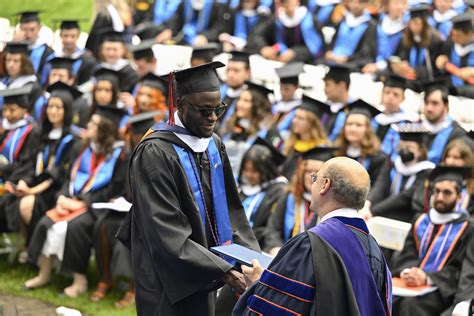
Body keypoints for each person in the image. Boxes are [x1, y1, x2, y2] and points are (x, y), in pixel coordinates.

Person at [115, 61, 259, 315]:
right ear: (179, 105)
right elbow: (164, 229)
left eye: (218, 109)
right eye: (204, 110)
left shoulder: (212, 144)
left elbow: (232, 210)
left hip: (213, 265)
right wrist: (222, 271)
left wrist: (251, 258)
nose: (213, 118)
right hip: (170, 275)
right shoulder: (155, 152)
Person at [233, 157, 392, 315]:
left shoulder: (309, 244)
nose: (312, 183)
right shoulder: (375, 252)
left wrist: (258, 284)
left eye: (315, 178)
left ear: (325, 185)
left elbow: (276, 308)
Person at [25, 106, 128, 297]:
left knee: (76, 227)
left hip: (97, 207)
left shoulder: (120, 154)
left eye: (94, 124)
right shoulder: (82, 147)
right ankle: (43, 273)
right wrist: (62, 197)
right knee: (47, 221)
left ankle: (79, 280)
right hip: (71, 200)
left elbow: (114, 189)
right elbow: (67, 176)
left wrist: (84, 203)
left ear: (106, 128)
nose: (88, 126)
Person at [3, 82, 80, 260]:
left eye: (58, 107)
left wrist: (32, 190)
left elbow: (60, 173)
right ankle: (26, 246)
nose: (53, 111)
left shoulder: (72, 139)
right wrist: (23, 182)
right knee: (15, 200)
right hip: (33, 184)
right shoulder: (39, 133)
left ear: (66, 110)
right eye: (50, 106)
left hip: (54, 188)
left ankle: (35, 250)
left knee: (28, 203)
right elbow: (29, 163)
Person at [391, 166, 474, 316]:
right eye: (437, 191)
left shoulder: (468, 228)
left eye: (447, 193)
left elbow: (461, 269)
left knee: (411, 307)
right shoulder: (421, 220)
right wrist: (408, 271)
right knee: (384, 297)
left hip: (442, 289)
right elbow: (407, 253)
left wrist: (428, 278)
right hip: (410, 284)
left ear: (459, 196)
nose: (440, 197)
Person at [264, 146, 338, 256]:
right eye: (308, 171)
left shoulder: (333, 206)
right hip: (285, 257)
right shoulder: (289, 196)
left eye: (317, 172)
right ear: (301, 173)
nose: (312, 176)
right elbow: (273, 229)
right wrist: (276, 248)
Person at [367, 125, 435, 223]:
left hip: (406, 220)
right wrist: (368, 203)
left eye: (409, 147)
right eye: (400, 146)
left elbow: (405, 197)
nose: (404, 151)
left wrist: (373, 211)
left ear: (420, 150)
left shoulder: (427, 172)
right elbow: (380, 186)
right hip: (382, 215)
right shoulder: (392, 164)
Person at [334, 100, 390, 206]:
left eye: (358, 125)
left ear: (368, 129)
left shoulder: (378, 158)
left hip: (363, 206)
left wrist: (368, 203)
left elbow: (380, 186)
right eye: (349, 124)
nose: (352, 129)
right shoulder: (336, 153)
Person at [237, 138, 287, 248]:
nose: (249, 175)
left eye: (254, 171)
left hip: (257, 247)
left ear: (266, 170)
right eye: (246, 170)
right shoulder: (240, 186)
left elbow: (270, 228)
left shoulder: (278, 191)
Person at [0, 86, 37, 232]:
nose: (8, 114)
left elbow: (25, 163)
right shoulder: (4, 128)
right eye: (5, 110)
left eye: (12, 110)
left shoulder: (31, 131)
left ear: (23, 109)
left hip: (14, 179)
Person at [220, 81, 274, 177]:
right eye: (240, 99)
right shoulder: (230, 125)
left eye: (246, 101)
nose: (240, 104)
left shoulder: (265, 133)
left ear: (257, 105)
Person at [254, 0, 326, 63]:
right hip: (280, 58)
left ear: (298, 2)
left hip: (307, 61)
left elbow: (317, 46)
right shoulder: (277, 20)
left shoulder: (310, 20)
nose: (289, 3)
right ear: (281, 4)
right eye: (285, 1)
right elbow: (259, 35)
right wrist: (264, 48)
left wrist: (295, 52)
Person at [421, 81, 472, 164]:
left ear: (446, 106)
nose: (429, 108)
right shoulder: (415, 128)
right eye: (426, 103)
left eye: (435, 103)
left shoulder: (457, 134)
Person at [280, 95, 329, 179]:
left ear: (312, 123)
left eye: (300, 118)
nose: (294, 121)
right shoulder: (289, 143)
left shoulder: (321, 149)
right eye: (295, 116)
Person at [391, 5, 443, 82]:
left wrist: (416, 71)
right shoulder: (406, 37)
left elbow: (433, 68)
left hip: (426, 81)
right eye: (411, 23)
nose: (413, 27)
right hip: (407, 76)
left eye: (417, 23)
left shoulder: (435, 41)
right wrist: (400, 64)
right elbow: (398, 56)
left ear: (424, 24)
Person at [373, 74, 419, 159]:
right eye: (387, 92)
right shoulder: (374, 117)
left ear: (403, 98)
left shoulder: (408, 122)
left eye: (396, 94)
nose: (390, 97)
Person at [325, 0, 377, 68]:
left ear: (366, 4)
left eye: (359, 2)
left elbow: (366, 52)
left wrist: (347, 59)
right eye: (352, 1)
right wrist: (329, 52)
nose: (355, 5)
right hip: (333, 60)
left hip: (352, 64)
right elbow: (333, 42)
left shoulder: (370, 26)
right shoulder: (343, 20)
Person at [362, 0, 408, 75]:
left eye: (403, 3)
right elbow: (368, 49)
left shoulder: (406, 29)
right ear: (387, 5)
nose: (400, 7)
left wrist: (380, 66)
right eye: (396, 3)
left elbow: (402, 57)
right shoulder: (376, 23)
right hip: (371, 66)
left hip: (392, 73)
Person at [435, 12, 474, 98]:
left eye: (458, 35)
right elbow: (443, 70)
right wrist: (441, 62)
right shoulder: (449, 44)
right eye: (453, 35)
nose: (454, 38)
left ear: (470, 34)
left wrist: (472, 71)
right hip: (452, 87)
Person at [155, 0, 225, 46]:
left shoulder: (216, 6)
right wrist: (169, 30)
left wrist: (205, 36)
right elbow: (176, 20)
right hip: (184, 40)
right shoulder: (184, 3)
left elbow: (218, 27)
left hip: (205, 43)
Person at [13, 11, 54, 86]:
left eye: (32, 29)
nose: (28, 34)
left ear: (39, 28)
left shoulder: (47, 51)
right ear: (20, 28)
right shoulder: (14, 47)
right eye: (24, 29)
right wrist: (13, 43)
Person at [0, 42, 42, 108]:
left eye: (15, 61)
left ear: (24, 63)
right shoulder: (4, 82)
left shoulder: (32, 87)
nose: (10, 65)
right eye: (8, 60)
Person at [55, 20, 97, 86]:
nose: (68, 40)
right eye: (65, 36)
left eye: (72, 36)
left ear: (78, 36)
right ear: (60, 35)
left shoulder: (87, 58)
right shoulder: (54, 57)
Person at [271, 62, 304, 142]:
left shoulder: (299, 109)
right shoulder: (275, 104)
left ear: (296, 87)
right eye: (281, 88)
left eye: (286, 89)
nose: (282, 92)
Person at [219, 51, 251, 127]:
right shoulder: (219, 92)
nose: (230, 75)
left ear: (247, 73)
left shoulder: (250, 99)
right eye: (228, 70)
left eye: (236, 71)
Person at [322, 63, 354, 142]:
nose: (324, 89)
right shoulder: (323, 108)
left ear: (341, 86)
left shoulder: (354, 111)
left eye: (327, 85)